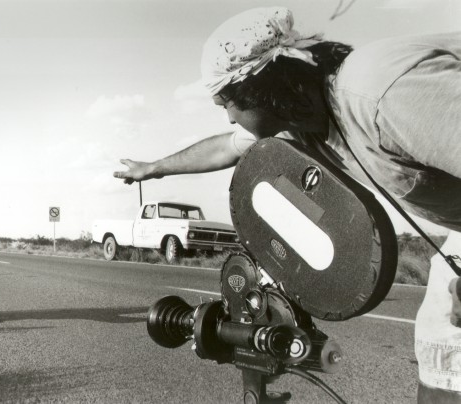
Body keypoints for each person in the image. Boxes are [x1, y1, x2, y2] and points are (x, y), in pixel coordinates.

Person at [114, 7, 461, 402]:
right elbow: (225, 148)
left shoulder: (382, 93)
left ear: (265, 89)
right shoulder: (298, 116)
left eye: (229, 102)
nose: (230, 118)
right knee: (443, 358)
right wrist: (155, 168)